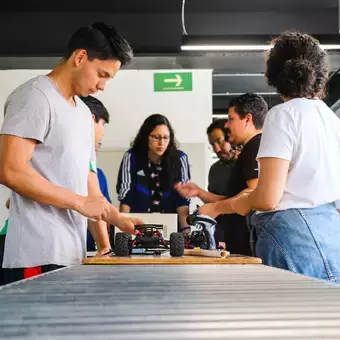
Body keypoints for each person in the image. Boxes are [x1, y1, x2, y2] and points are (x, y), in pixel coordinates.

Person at [0, 22, 143, 285]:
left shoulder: (83, 114)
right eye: (102, 74)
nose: (103, 86)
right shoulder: (35, 97)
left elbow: (89, 187)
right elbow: (9, 169)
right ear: (80, 57)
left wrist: (118, 219)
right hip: (36, 254)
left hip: (72, 254)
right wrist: (79, 203)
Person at [230, 32, 340, 282]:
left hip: (292, 238)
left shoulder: (282, 115)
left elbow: (268, 198)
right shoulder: (332, 119)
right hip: (332, 235)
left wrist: (242, 203)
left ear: (275, 75)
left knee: (290, 319)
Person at [176, 93, 268, 255]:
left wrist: (216, 208)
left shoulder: (254, 147)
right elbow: (237, 199)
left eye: (231, 119)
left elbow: (254, 194)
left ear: (247, 119)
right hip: (240, 242)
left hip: (250, 243)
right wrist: (203, 196)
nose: (227, 125)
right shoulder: (251, 149)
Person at [117, 114, 191, 232]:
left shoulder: (180, 158)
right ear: (146, 137)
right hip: (138, 225)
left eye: (166, 137)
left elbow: (182, 199)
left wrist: (186, 231)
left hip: (171, 227)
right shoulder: (131, 157)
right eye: (156, 137)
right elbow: (126, 196)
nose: (161, 143)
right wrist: (121, 231)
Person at [79, 95, 113, 252]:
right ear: (91, 119)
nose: (104, 131)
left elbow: (97, 206)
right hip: (30, 247)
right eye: (103, 124)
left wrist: (105, 247)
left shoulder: (86, 156)